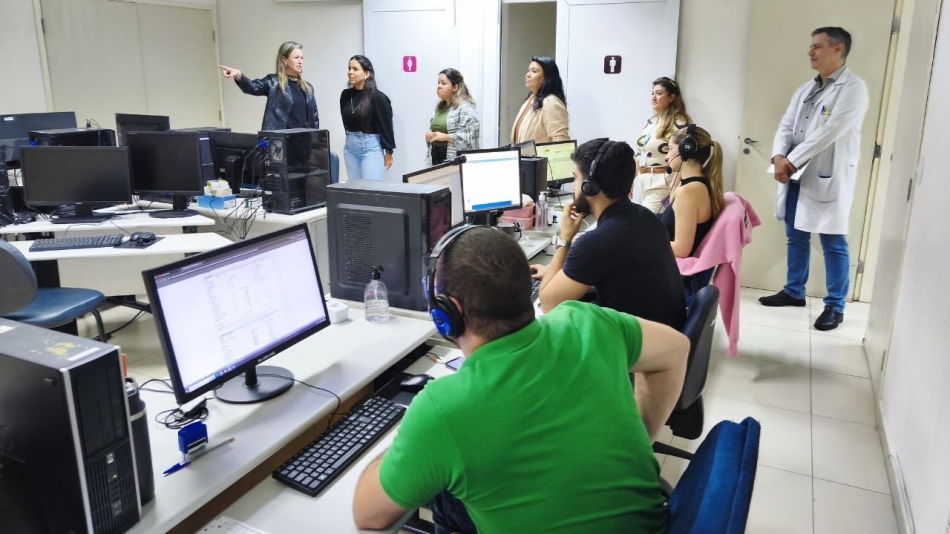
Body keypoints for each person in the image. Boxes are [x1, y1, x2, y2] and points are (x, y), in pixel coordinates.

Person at [352, 226, 689, 533]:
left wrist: (410, 441)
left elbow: (367, 516)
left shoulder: (442, 410)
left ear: (446, 312)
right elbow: (677, 349)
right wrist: (640, 439)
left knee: (442, 490)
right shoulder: (587, 320)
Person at [759, 27, 869, 331]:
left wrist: (791, 161)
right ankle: (794, 291)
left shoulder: (852, 89)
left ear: (838, 49)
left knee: (833, 241)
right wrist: (779, 156)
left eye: (817, 46)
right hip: (795, 173)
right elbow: (786, 125)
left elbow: (831, 130)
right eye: (810, 46)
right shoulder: (806, 89)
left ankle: (835, 305)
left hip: (824, 175)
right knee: (795, 235)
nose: (810, 52)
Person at [531, 138, 686, 330]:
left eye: (575, 179)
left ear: (590, 186)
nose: (573, 186)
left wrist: (565, 239)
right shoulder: (645, 217)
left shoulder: (598, 242)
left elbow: (548, 304)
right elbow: (622, 276)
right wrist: (561, 276)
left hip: (634, 352)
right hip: (663, 337)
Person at [662, 124, 725, 302]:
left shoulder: (690, 192)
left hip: (670, 277)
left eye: (670, 148)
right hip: (668, 269)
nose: (666, 156)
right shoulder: (695, 185)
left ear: (685, 149)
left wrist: (647, 240)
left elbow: (682, 249)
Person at [218, 41, 319, 131]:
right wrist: (239, 75)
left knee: (332, 153)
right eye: (296, 57)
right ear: (284, 60)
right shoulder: (274, 82)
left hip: (304, 143)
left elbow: (314, 118)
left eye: (302, 58)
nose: (300, 61)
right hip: (281, 143)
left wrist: (317, 142)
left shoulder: (307, 88)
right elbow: (253, 87)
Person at [632, 77, 692, 213]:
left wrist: (676, 187)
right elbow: (639, 153)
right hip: (644, 180)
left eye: (659, 93)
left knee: (646, 223)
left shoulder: (679, 123)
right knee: (648, 224)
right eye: (652, 93)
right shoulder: (652, 121)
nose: (653, 97)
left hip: (663, 181)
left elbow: (684, 158)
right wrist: (630, 181)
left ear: (671, 98)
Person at [340, 55, 395, 181]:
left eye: (355, 69)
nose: (350, 72)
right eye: (349, 69)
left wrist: (389, 151)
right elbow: (346, 122)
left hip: (370, 148)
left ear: (366, 74)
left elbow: (386, 125)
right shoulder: (345, 95)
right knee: (355, 191)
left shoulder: (377, 97)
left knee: (371, 192)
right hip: (350, 148)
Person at [425, 68, 479, 166]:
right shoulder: (440, 107)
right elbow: (437, 132)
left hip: (454, 160)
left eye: (443, 83)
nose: (439, 86)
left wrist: (445, 137)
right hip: (435, 156)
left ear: (455, 87)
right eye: (438, 83)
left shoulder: (465, 108)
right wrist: (430, 136)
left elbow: (470, 138)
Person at [510, 56, 569, 144]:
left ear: (547, 77)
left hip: (541, 157)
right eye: (528, 70)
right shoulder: (530, 100)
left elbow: (560, 142)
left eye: (534, 71)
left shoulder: (551, 102)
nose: (528, 75)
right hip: (522, 157)